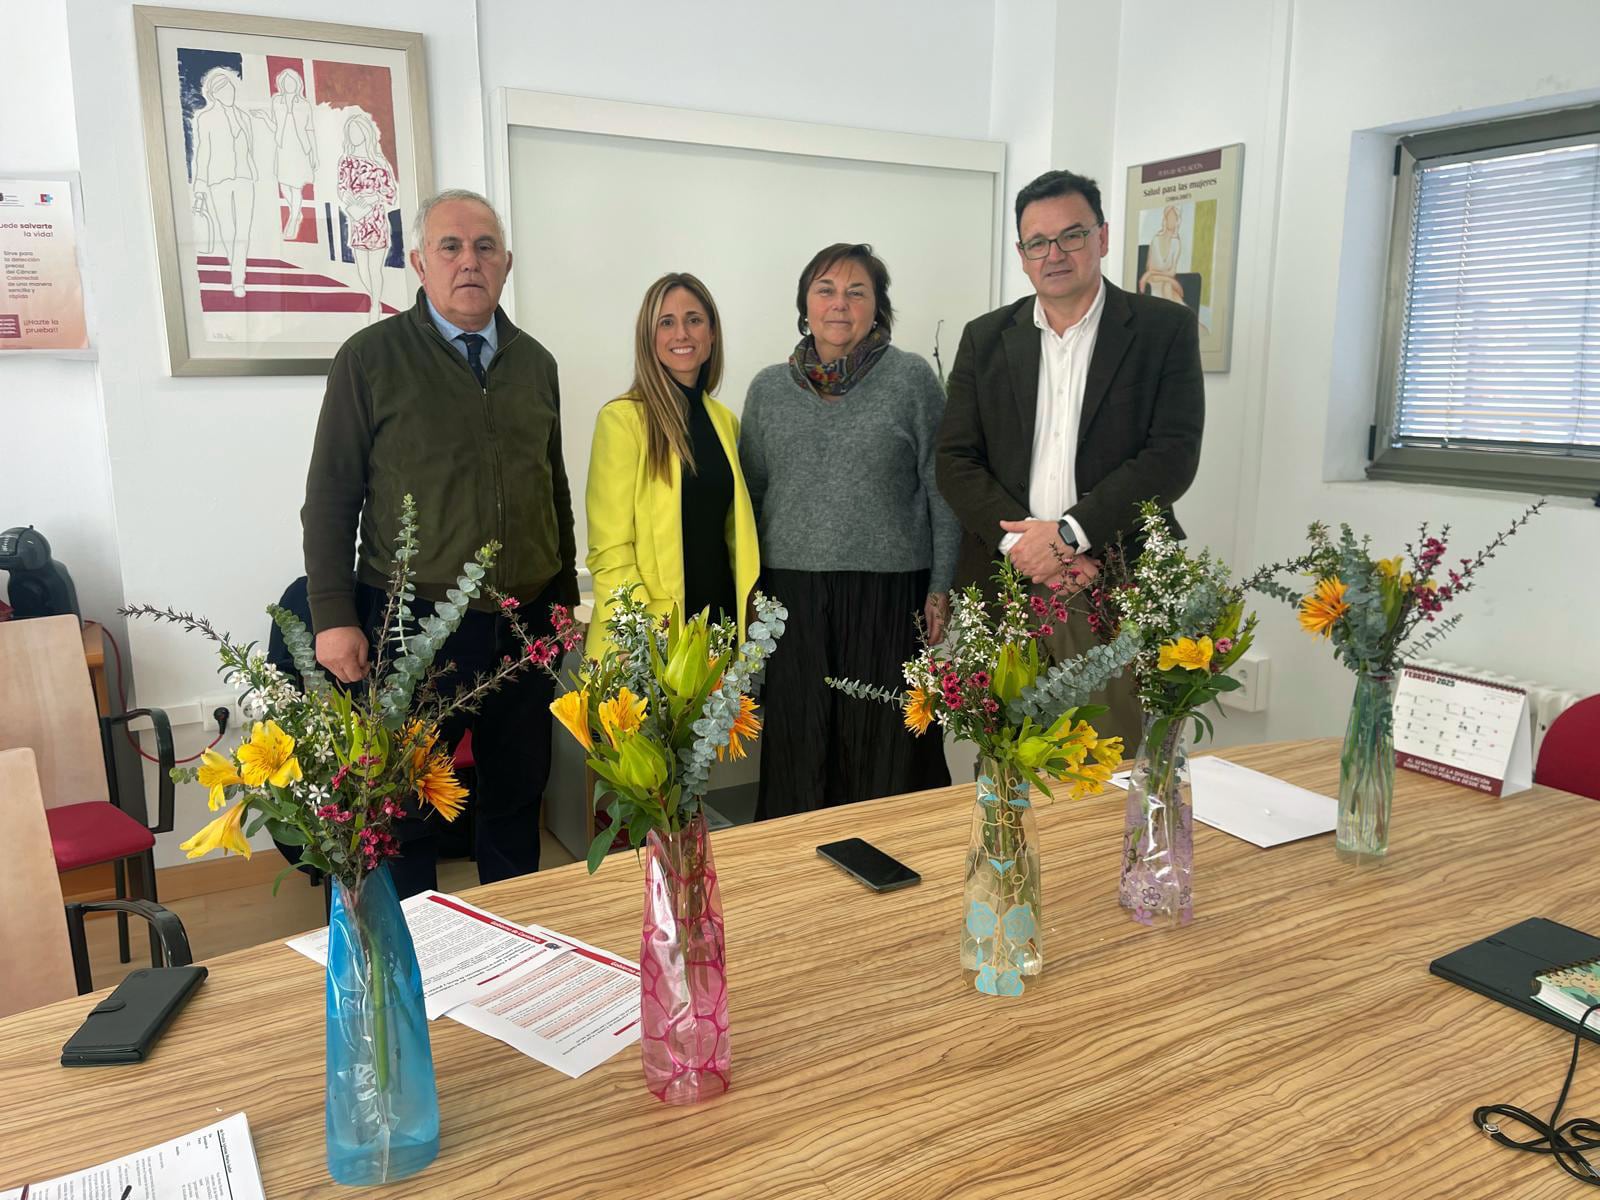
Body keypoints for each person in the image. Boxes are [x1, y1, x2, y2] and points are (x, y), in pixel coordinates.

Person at [301, 187, 578, 899]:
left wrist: (564, 601)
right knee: (408, 802)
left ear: (506, 263)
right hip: (414, 622)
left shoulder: (536, 364)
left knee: (518, 791)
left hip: (524, 619)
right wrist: (332, 616)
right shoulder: (370, 359)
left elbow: (555, 491)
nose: (468, 262)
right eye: (450, 247)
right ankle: (422, 952)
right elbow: (332, 497)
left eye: (484, 247)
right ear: (420, 262)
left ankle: (512, 938)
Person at [937, 169, 1205, 749]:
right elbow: (956, 459)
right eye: (1038, 242)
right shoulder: (986, 338)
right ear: (1021, 253)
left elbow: (1171, 456)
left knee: (1107, 760)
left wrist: (1069, 537)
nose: (1054, 254)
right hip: (1004, 582)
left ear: (1103, 238)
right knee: (1006, 763)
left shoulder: (1163, 330)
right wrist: (1026, 547)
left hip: (1110, 581)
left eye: (1072, 236)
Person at [740, 243, 958, 819]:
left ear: (878, 307)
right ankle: (797, 885)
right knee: (799, 750)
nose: (840, 304)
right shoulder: (767, 390)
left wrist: (941, 587)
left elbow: (944, 492)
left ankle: (901, 877)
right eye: (826, 290)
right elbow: (752, 498)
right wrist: (750, 599)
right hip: (791, 601)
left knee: (888, 752)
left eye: (857, 291)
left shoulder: (911, 380)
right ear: (804, 305)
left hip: (890, 596)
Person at [586, 273, 758, 657]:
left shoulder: (725, 422)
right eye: (667, 322)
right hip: (650, 638)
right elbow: (609, 551)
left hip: (718, 628)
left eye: (694, 320)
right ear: (649, 338)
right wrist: (635, 640)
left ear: (711, 335)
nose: (682, 333)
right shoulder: (623, 420)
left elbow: (732, 534)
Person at [189, 67, 257, 299]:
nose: (229, 93)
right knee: (228, 231)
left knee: (243, 231)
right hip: (218, 181)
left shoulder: (244, 116)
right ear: (214, 94)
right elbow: (202, 152)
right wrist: (199, 184)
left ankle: (239, 278)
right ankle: (236, 274)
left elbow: (250, 149)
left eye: (230, 88)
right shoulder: (205, 118)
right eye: (223, 90)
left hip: (245, 178)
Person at [336, 112, 398, 320]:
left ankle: (375, 305)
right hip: (356, 219)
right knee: (361, 268)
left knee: (374, 268)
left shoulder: (379, 163)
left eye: (357, 130)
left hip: (376, 220)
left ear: (365, 132)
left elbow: (390, 194)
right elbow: (342, 189)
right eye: (350, 131)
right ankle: (374, 297)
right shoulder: (346, 162)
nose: (354, 135)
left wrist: (372, 199)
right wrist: (351, 203)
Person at [266, 68, 317, 240]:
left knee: (295, 187)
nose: (289, 85)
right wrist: (265, 120)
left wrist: (314, 154)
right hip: (282, 147)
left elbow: (309, 129)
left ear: (297, 84)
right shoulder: (276, 101)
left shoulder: (303, 104)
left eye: (292, 82)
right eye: (286, 82)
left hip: (300, 148)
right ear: (281, 84)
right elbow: (274, 124)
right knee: (284, 185)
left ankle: (293, 219)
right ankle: (296, 212)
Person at [1138, 204, 1186, 304]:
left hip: (1165, 281)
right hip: (1154, 281)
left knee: (1167, 286)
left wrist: (1169, 280)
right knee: (1168, 286)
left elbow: (1172, 272)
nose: (1171, 221)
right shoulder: (1156, 240)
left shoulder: (1176, 243)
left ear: (1177, 221)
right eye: (1169, 217)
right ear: (1165, 219)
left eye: (1174, 218)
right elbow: (1151, 269)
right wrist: (1151, 274)